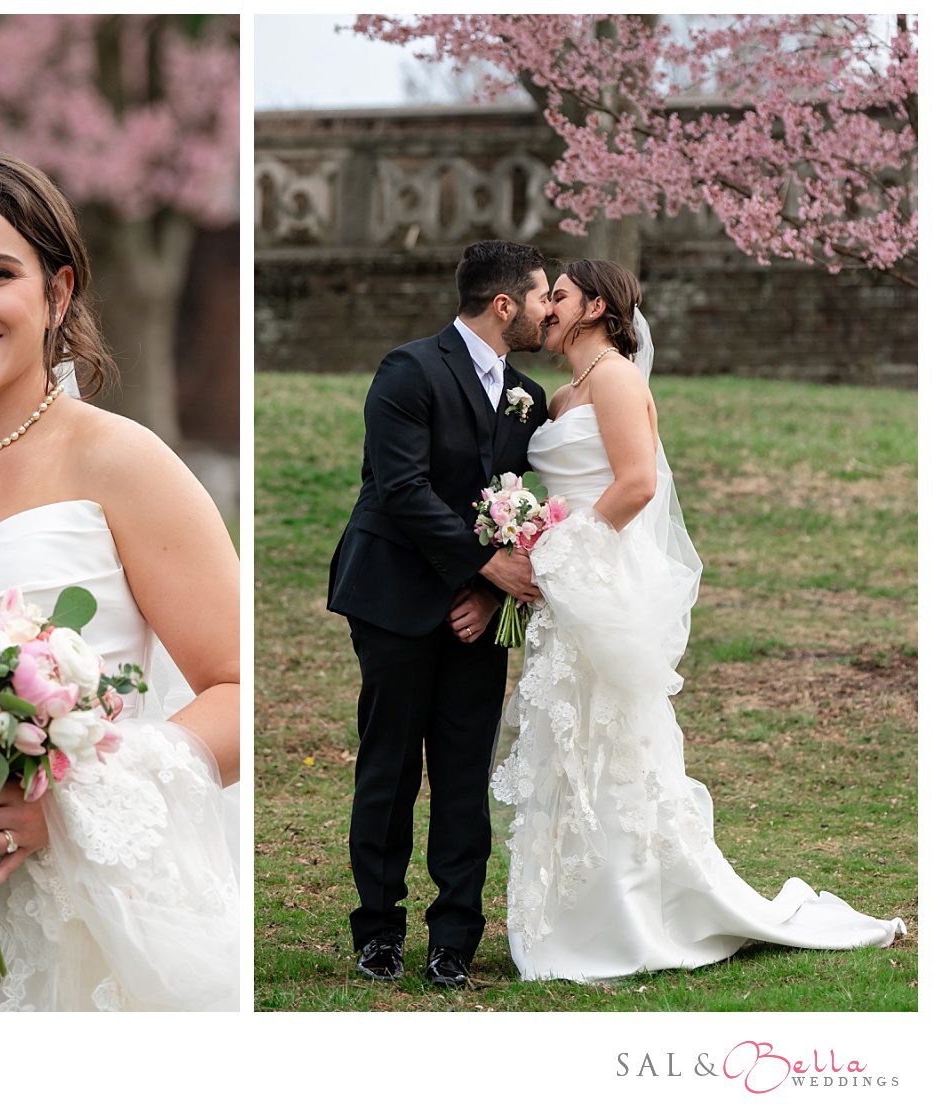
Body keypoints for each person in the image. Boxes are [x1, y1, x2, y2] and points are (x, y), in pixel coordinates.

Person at [0, 151, 240, 1010]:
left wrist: (69, 805)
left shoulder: (121, 462)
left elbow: (238, 688)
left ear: (57, 293)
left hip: (70, 916)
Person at [493, 259, 906, 981]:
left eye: (558, 295)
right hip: (564, 585)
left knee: (614, 737)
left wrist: (558, 548)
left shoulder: (618, 378)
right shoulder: (561, 395)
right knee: (569, 737)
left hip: (598, 575)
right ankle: (569, 910)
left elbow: (638, 483)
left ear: (593, 306)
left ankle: (634, 913)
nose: (546, 307)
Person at [327, 240, 552, 988]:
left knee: (464, 774)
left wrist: (491, 594)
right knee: (388, 769)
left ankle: (454, 936)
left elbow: (515, 512)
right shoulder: (408, 370)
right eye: (542, 295)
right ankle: (379, 933)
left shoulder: (529, 396)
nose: (550, 308)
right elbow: (402, 489)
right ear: (503, 305)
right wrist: (482, 567)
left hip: (478, 615)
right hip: (393, 598)